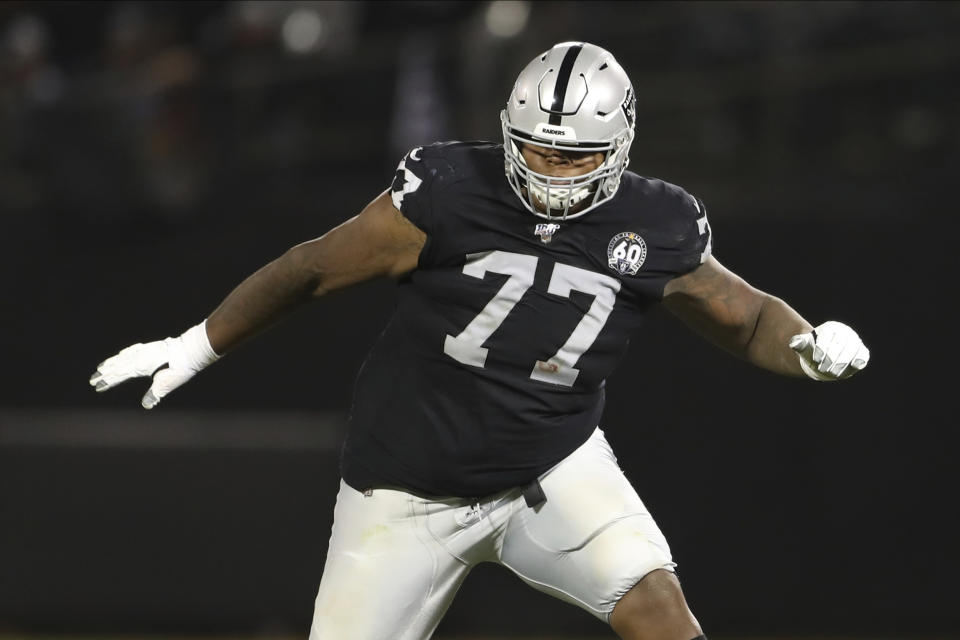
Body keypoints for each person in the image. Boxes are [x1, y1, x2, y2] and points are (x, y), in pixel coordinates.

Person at [90, 42, 870, 640]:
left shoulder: (656, 222)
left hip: (548, 468)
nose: (551, 169)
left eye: (572, 154)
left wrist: (806, 346)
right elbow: (313, 269)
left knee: (663, 616)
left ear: (621, 146)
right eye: (534, 147)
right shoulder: (448, 193)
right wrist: (197, 343)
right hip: (402, 491)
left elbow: (746, 315)